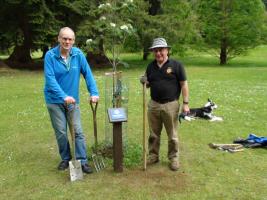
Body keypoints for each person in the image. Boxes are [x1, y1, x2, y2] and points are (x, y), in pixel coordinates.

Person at [44, 27, 99, 174]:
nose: (67, 41)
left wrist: (94, 92)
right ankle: (66, 158)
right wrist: (63, 96)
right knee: (61, 132)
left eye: (70, 39)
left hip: (73, 101)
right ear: (59, 39)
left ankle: (82, 161)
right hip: (54, 100)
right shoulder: (50, 56)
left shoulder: (78, 55)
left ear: (73, 41)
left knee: (78, 131)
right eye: (64, 38)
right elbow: (50, 79)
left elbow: (88, 74)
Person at [140, 38, 190, 171]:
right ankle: (153, 155)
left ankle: (173, 158)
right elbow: (148, 83)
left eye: (161, 50)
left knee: (172, 134)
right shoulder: (150, 66)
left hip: (171, 105)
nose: (158, 53)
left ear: (167, 50)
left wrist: (185, 103)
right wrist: (144, 80)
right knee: (153, 134)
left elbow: (184, 84)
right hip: (154, 105)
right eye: (155, 51)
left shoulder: (176, 65)